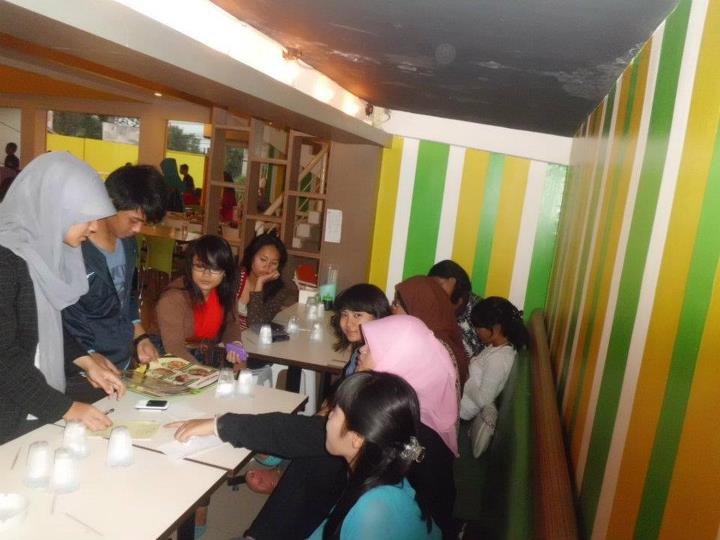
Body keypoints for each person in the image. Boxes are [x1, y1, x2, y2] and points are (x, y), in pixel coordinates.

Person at [168, 314, 459, 540]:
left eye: (373, 347)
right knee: (319, 455)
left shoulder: (377, 505)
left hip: (384, 521)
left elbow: (297, 432)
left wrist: (219, 424)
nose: (361, 349)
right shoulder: (400, 404)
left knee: (318, 452)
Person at [0, 152, 118, 444]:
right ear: (56, 207)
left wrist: (87, 362)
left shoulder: (39, 251)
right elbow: (4, 357)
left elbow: (42, 326)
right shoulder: (5, 260)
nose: (94, 227)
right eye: (86, 217)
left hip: (34, 405)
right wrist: (67, 408)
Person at [246, 283, 392, 494]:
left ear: (378, 316)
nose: (349, 323)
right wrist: (326, 409)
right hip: (346, 419)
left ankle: (282, 467)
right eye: (344, 314)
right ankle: (282, 466)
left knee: (300, 431)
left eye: (358, 315)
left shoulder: (377, 357)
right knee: (307, 422)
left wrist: (327, 415)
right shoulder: (360, 350)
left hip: (361, 434)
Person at [62, 165, 166, 403]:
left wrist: (140, 337)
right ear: (109, 203)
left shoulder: (127, 244)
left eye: (143, 223)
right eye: (134, 220)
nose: (137, 229)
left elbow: (126, 295)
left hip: (121, 362)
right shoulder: (75, 248)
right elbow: (63, 316)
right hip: (82, 371)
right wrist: (88, 356)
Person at [153, 235, 245, 365]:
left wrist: (235, 344)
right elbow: (175, 350)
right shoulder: (172, 299)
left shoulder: (226, 293)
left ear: (225, 271)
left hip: (204, 355)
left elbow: (230, 324)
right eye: (200, 266)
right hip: (167, 358)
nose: (206, 274)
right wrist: (203, 373)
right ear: (190, 266)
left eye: (214, 268)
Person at [232, 232, 296, 385]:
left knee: (247, 361)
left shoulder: (278, 290)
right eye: (263, 260)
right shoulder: (235, 277)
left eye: (274, 263)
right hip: (228, 340)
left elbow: (255, 323)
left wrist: (260, 284)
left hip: (254, 347)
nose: (267, 267)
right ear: (251, 256)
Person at [460, 297, 528, 421]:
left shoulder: (499, 359)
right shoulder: (495, 347)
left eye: (479, 327)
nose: (476, 331)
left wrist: (466, 379)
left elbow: (484, 400)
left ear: (496, 327)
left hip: (461, 412)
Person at [392, 275, 469, 385]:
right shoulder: (441, 339)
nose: (392, 310)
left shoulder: (432, 351)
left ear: (417, 309)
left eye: (396, 304)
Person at [428, 259, 484, 358]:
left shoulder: (480, 307)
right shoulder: (433, 307)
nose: (435, 290)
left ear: (452, 281)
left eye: (438, 284)